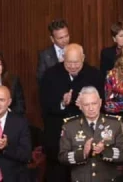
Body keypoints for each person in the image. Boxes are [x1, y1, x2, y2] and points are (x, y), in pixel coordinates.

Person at [40, 44, 105, 182]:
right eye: (69, 62)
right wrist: (62, 103)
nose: (73, 66)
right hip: (57, 138)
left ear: (83, 58)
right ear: (63, 58)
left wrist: (86, 106)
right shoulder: (50, 75)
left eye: (76, 62)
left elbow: (102, 104)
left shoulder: (94, 75)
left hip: (86, 138)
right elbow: (45, 105)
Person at [58, 86, 123, 182]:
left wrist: (105, 150)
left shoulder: (115, 123)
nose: (91, 108)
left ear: (100, 102)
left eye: (94, 103)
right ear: (80, 106)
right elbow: (62, 157)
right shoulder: (70, 126)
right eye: (86, 105)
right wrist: (82, 153)